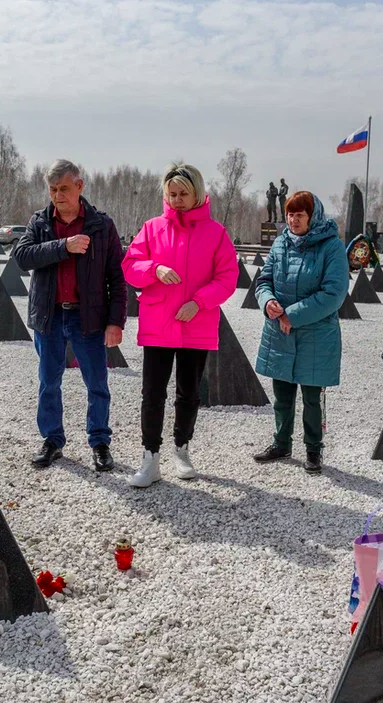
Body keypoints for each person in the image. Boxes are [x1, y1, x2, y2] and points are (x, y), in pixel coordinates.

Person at [122, 163, 238, 487]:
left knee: (188, 393)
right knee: (152, 393)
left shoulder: (216, 233)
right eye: (171, 194)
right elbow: (130, 265)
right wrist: (154, 269)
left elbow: (227, 277)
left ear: (197, 193)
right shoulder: (151, 228)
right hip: (159, 322)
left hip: (195, 324)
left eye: (183, 193)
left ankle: (181, 450)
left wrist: (199, 302)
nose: (176, 200)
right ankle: (150, 460)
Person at [12, 159, 127, 471]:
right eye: (52, 189)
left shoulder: (102, 225)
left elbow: (117, 277)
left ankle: (100, 442)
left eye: (64, 188)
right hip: (48, 317)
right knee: (48, 381)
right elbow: (22, 257)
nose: (58, 195)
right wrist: (64, 246)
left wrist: (116, 321)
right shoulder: (39, 222)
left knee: (97, 383)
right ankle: (52, 440)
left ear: (80, 186)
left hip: (87, 318)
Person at [252, 191, 347, 474]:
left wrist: (291, 316)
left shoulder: (331, 247)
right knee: (282, 394)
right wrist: (267, 300)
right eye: (290, 214)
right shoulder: (281, 243)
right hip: (280, 333)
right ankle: (281, 443)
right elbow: (264, 279)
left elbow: (333, 293)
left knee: (312, 398)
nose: (293, 220)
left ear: (313, 216)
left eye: (299, 215)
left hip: (315, 335)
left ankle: (313, 450)